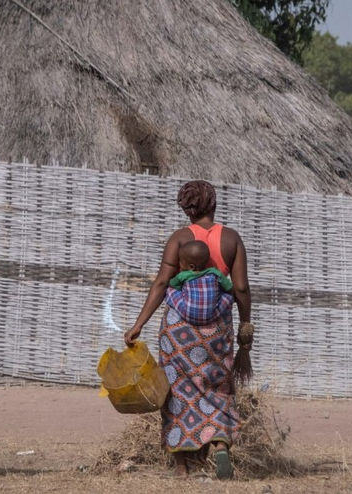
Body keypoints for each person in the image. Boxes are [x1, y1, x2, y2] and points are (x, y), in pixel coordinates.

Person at [124, 180, 252, 479]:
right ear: (214, 204)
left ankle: (183, 466)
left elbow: (160, 284)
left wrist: (139, 323)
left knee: (177, 391)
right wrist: (246, 329)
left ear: (187, 209)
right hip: (216, 329)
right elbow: (242, 288)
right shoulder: (231, 239)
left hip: (179, 331)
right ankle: (220, 440)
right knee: (218, 385)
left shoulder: (180, 239)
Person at [165, 240, 234, 326]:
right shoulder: (215, 273)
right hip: (210, 317)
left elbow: (172, 284)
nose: (179, 264)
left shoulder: (183, 275)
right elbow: (229, 288)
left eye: (181, 262)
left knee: (169, 290)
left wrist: (181, 289)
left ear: (191, 267)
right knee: (229, 296)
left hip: (187, 314)